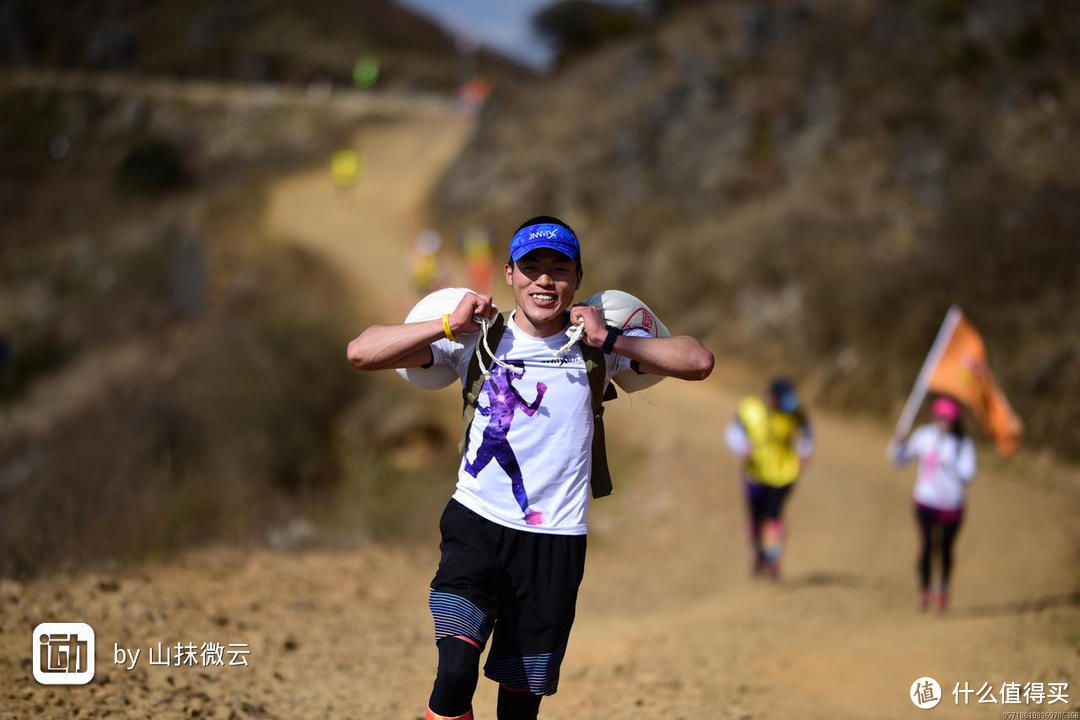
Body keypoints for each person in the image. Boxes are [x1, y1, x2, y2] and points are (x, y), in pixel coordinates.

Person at [346, 216, 714, 720]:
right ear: (510, 275)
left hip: (555, 544)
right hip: (476, 524)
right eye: (531, 267)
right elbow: (361, 352)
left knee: (519, 707)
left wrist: (611, 341)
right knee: (454, 671)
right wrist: (448, 324)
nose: (544, 280)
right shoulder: (478, 338)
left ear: (577, 278)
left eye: (558, 269)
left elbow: (698, 361)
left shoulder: (597, 348)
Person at [888, 395, 975, 613]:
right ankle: (925, 590)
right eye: (941, 418)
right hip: (925, 501)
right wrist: (896, 443)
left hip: (951, 506)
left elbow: (968, 474)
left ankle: (943, 587)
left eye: (949, 419)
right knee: (926, 545)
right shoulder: (924, 436)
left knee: (944, 549)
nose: (944, 423)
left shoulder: (963, 444)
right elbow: (898, 460)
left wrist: (950, 463)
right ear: (934, 417)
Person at [724, 377, 813, 579]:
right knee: (755, 518)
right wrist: (742, 447)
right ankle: (757, 554)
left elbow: (808, 433)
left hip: (784, 473)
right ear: (771, 396)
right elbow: (733, 431)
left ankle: (773, 559)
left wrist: (804, 454)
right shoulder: (750, 408)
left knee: (774, 516)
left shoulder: (795, 413)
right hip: (755, 473)